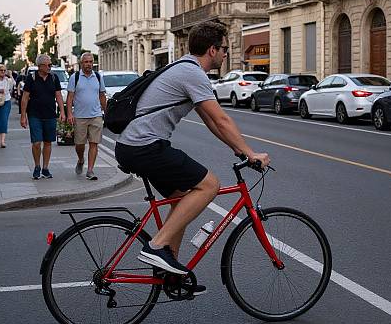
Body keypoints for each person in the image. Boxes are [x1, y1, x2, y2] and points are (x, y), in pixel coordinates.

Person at [115, 22, 270, 284]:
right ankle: (156, 247)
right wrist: (250, 153)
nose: (226, 54)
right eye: (224, 48)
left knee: (180, 197)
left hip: (136, 145)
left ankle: (170, 271)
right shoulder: (193, 73)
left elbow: (210, 120)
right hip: (144, 146)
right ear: (212, 50)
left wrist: (237, 149)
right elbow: (221, 120)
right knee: (209, 185)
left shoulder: (184, 69)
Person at [20, 54, 66, 180]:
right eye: (48, 65)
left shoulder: (53, 77)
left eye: (50, 64)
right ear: (40, 66)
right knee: (36, 142)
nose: (50, 67)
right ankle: (37, 166)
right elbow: (24, 98)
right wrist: (23, 116)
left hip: (50, 114)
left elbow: (59, 96)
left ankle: (45, 168)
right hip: (35, 114)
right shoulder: (32, 78)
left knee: (48, 142)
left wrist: (62, 112)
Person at [66, 52, 107, 181]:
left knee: (94, 143)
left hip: (96, 115)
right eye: (86, 62)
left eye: (90, 62)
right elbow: (70, 97)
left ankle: (90, 170)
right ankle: (81, 159)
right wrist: (69, 114)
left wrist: (107, 112)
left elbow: (102, 96)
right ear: (81, 63)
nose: (89, 64)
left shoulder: (98, 77)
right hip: (80, 116)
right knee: (79, 144)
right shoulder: (75, 77)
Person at [0, 64, 13, 148]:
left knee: (4, 120)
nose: (3, 72)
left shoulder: (8, 80)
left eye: (4, 70)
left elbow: (13, 85)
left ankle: (2, 141)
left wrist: (10, 75)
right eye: (1, 70)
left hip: (6, 101)